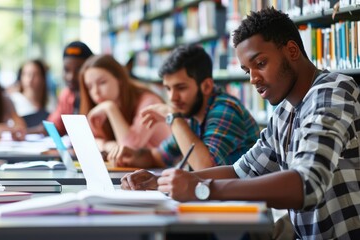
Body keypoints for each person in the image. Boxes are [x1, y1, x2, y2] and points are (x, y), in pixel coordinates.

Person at [121, 8, 360, 239]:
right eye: (247, 71)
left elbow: (307, 184)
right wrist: (162, 181)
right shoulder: (284, 111)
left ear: (292, 50)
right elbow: (241, 171)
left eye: (261, 64)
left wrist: (201, 189)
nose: (254, 79)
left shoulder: (332, 93)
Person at [108, 45, 260, 170]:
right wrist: (131, 155)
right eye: (168, 88)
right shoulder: (190, 113)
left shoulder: (225, 110)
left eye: (181, 88)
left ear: (206, 86)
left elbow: (206, 168)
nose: (172, 98)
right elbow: (160, 157)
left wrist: (173, 117)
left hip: (244, 204)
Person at [78, 54, 171, 152]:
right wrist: (106, 145)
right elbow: (85, 143)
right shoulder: (101, 109)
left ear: (119, 80)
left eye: (102, 82)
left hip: (162, 166)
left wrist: (110, 108)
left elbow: (129, 148)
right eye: (89, 87)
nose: (96, 92)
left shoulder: (149, 101)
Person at [28, 41, 93, 135]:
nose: (71, 76)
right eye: (66, 70)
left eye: (78, 70)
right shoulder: (66, 95)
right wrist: (23, 132)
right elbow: (53, 127)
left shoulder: (97, 94)